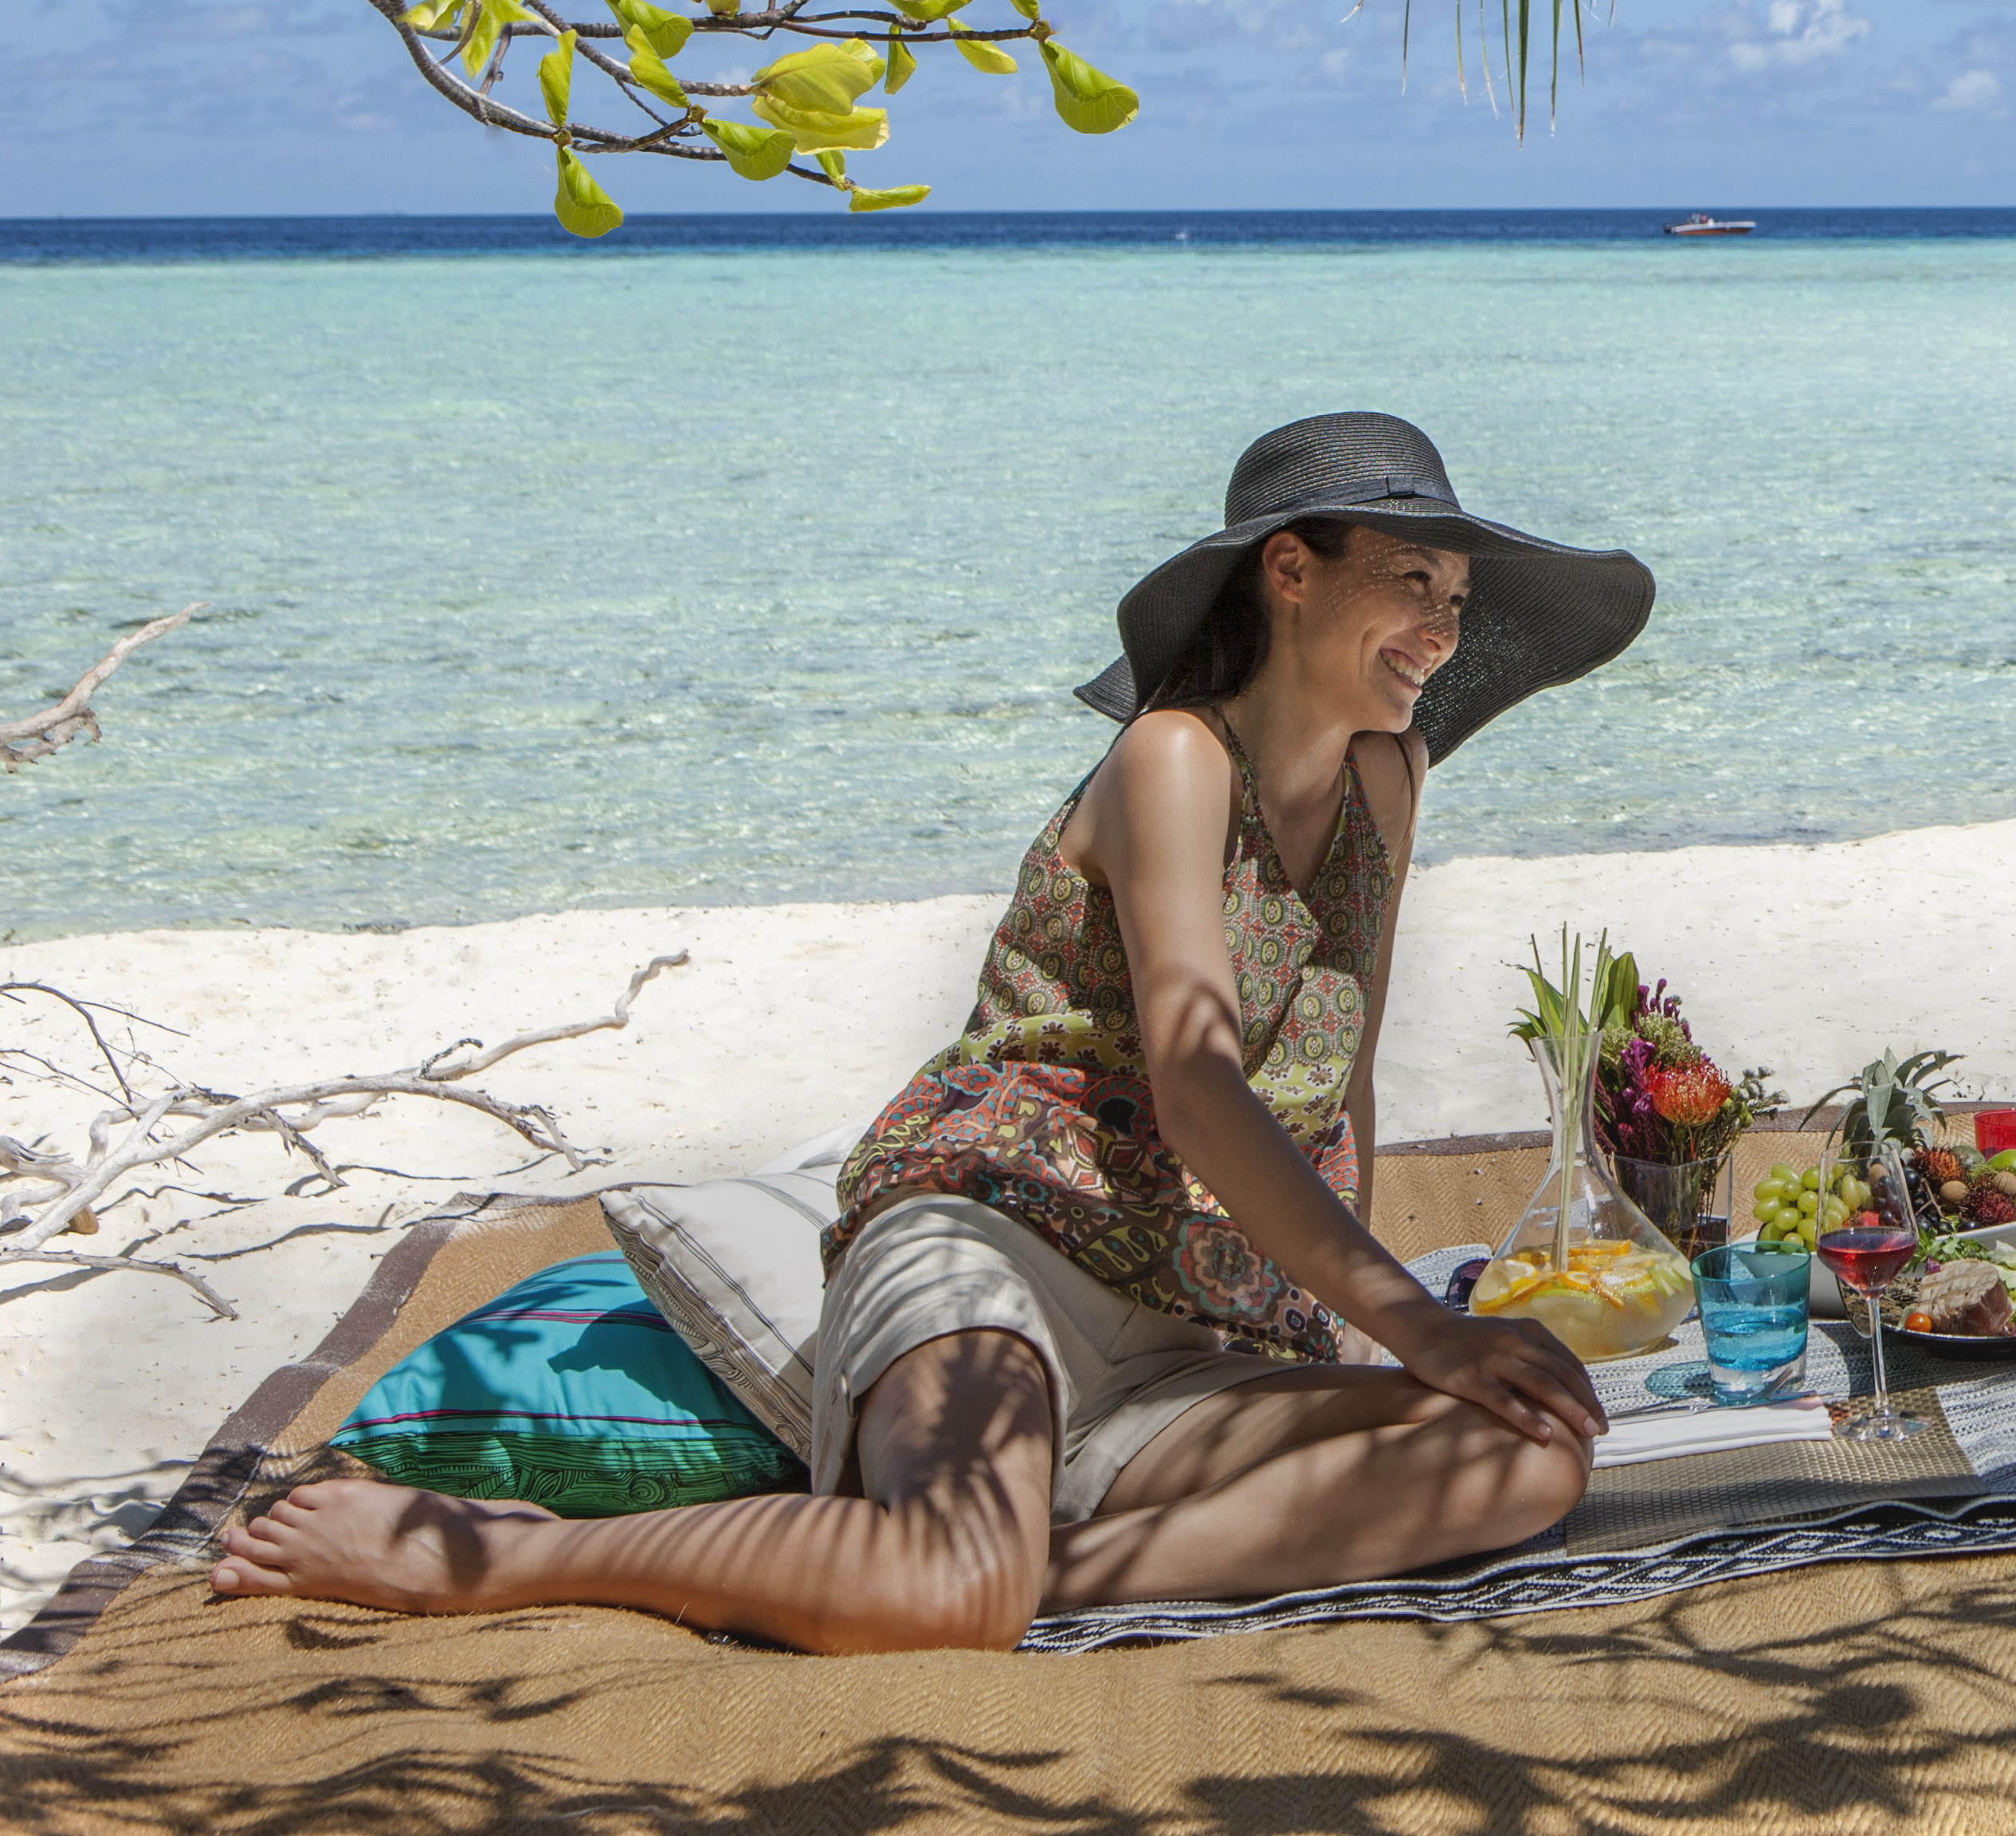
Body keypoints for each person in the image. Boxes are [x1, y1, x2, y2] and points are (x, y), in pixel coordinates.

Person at [210, 413, 1658, 1650]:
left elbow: (1331, 1086)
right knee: (955, 1586)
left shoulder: (1388, 779)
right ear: (1290, 572)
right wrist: (1415, 1319)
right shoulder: (1170, 755)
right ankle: (504, 1554)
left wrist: (1363, 1335)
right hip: (1001, 1245)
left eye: (1458, 600)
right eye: (1414, 580)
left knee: (1523, 1460)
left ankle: (1019, 1570)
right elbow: (1203, 1083)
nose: (1444, 628)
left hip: (1194, 1329)